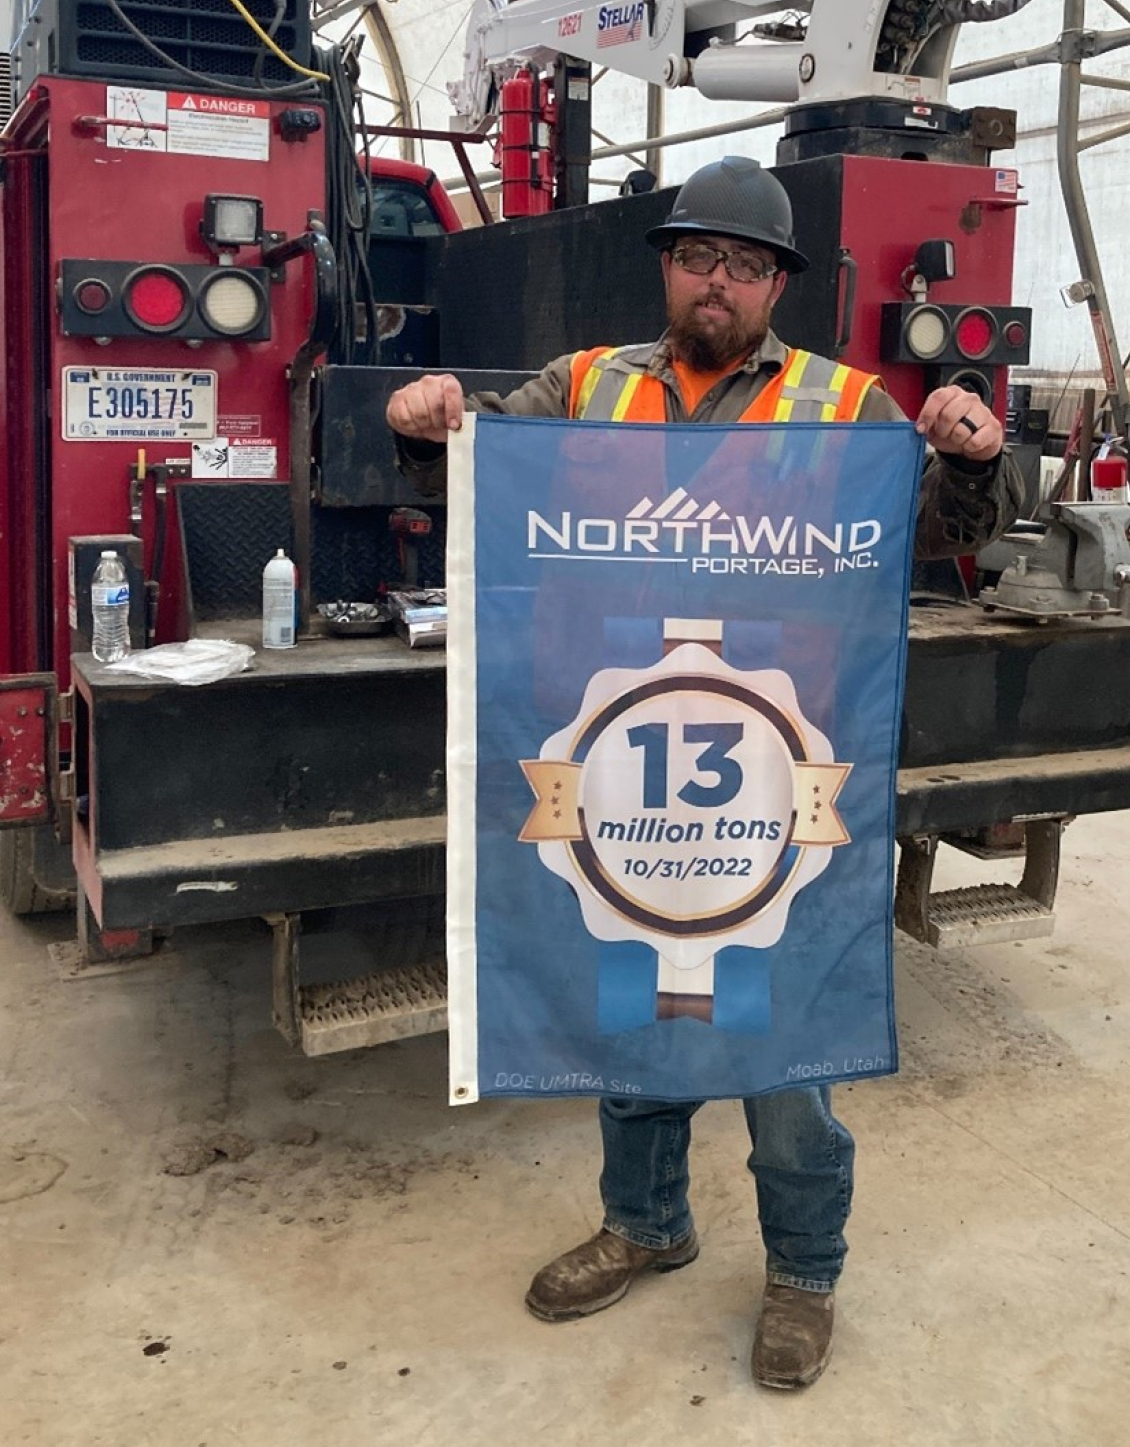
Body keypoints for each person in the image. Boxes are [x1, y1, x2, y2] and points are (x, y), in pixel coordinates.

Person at [387, 155, 1021, 1391]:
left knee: (779, 1037)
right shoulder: (579, 387)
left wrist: (976, 458)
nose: (717, 282)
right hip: (619, 755)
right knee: (633, 1008)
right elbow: (479, 469)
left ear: (779, 281)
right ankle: (648, 1221)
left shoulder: (844, 406)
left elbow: (939, 530)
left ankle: (804, 1268)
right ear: (668, 267)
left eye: (743, 264)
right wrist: (429, 428)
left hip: (784, 770)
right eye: (697, 258)